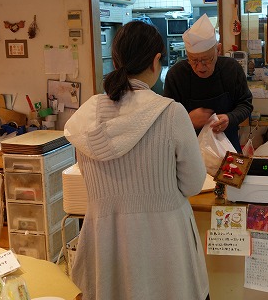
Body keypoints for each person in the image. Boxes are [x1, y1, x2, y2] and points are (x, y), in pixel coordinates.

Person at [64, 21, 210, 300]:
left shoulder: (85, 118)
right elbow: (192, 184)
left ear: (116, 59)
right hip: (165, 249)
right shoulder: (171, 113)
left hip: (106, 247)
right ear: (157, 61)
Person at [163, 14, 253, 152]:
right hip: (189, 153)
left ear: (218, 50)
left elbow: (245, 104)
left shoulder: (232, 69)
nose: (200, 67)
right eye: (193, 60)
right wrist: (187, 120)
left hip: (228, 149)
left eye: (206, 59)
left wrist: (230, 118)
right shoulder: (176, 75)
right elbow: (166, 120)